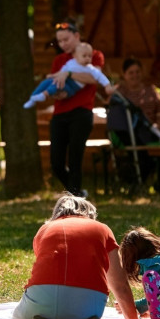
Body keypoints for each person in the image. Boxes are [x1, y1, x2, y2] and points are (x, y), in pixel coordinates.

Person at [12, 192, 140, 319]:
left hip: (45, 297)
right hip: (89, 304)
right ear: (90, 214)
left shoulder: (44, 229)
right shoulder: (103, 229)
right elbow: (120, 284)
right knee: (79, 312)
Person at [44, 21, 105, 196]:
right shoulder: (59, 60)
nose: (63, 44)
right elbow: (55, 85)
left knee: (75, 158)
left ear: (77, 36)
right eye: (60, 41)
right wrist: (57, 92)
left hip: (82, 112)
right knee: (56, 162)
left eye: (66, 39)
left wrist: (68, 73)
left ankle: (75, 198)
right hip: (60, 113)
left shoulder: (93, 55)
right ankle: (77, 193)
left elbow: (94, 78)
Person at [23, 41, 115, 109]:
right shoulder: (71, 63)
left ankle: (44, 95)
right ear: (75, 56)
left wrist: (107, 86)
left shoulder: (90, 68)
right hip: (66, 81)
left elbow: (101, 77)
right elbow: (62, 71)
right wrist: (53, 75)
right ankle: (33, 98)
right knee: (46, 82)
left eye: (89, 56)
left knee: (57, 84)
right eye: (84, 56)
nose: (87, 58)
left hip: (73, 87)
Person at [114, 57, 160, 127]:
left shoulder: (150, 89)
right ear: (124, 74)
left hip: (153, 129)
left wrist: (158, 125)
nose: (135, 75)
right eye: (131, 73)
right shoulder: (121, 92)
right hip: (131, 131)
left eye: (137, 72)